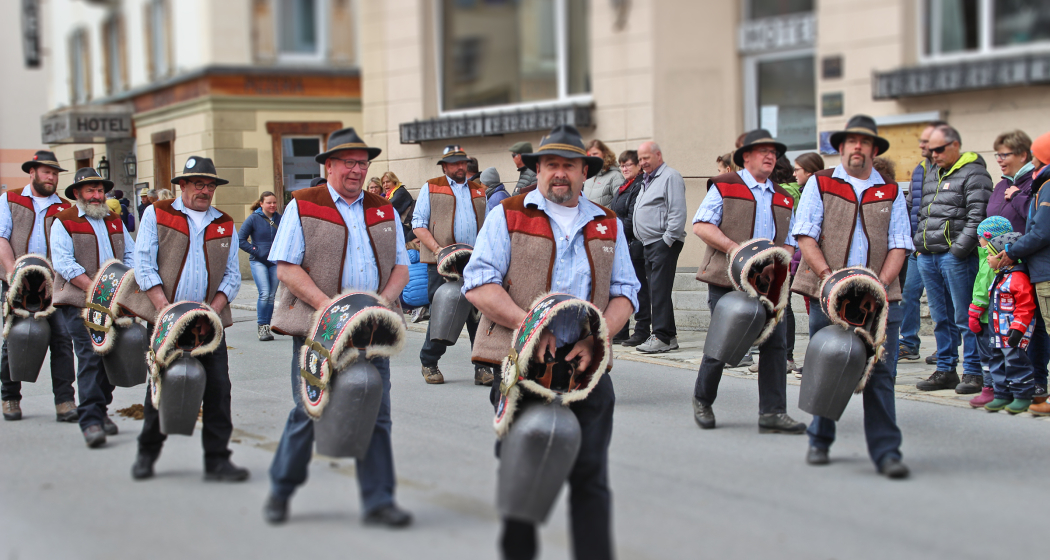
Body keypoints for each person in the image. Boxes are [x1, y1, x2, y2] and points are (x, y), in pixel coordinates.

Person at [463, 124, 640, 560]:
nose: (560, 173)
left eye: (570, 166)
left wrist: (598, 338)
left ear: (585, 172)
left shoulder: (608, 222)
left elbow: (626, 292)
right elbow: (478, 283)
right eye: (551, 165)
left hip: (588, 370)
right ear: (538, 170)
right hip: (522, 367)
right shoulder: (507, 214)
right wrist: (530, 327)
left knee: (591, 478)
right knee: (521, 474)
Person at [263, 127, 412, 527]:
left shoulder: (383, 208)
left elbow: (401, 266)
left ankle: (379, 500)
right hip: (320, 328)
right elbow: (286, 267)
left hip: (372, 328)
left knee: (377, 413)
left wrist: (381, 305)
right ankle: (280, 490)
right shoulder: (303, 204)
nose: (357, 170)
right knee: (308, 410)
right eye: (348, 162)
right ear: (329, 165)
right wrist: (329, 308)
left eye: (363, 163)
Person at [792, 115, 911, 479]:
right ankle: (819, 439)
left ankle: (887, 452)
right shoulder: (821, 182)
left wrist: (880, 286)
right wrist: (828, 279)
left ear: (874, 150)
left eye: (865, 141)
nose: (857, 147)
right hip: (828, 294)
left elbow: (899, 244)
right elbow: (806, 235)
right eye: (851, 141)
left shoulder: (890, 191)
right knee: (827, 365)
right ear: (841, 147)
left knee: (882, 374)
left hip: (879, 298)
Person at [130, 155, 247, 482]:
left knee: (219, 390)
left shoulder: (225, 222)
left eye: (210, 185)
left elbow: (232, 275)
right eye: (198, 184)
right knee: (161, 387)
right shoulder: (157, 213)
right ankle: (147, 453)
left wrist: (212, 311)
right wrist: (166, 311)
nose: (205, 190)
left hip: (209, 322)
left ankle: (217, 460)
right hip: (167, 318)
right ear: (182, 185)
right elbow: (144, 265)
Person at [691, 129, 805, 434]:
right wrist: (735, 249)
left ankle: (773, 412)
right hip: (727, 279)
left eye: (773, 152)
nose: (770, 156)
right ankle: (702, 400)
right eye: (763, 151)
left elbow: (790, 240)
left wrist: (780, 262)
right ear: (746, 157)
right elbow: (701, 225)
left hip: (770, 286)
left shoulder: (783, 196)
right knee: (722, 343)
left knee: (775, 347)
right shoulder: (725, 185)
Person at [49, 167, 136, 447]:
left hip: (116, 300)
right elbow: (64, 263)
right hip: (79, 301)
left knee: (110, 356)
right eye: (91, 190)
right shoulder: (64, 221)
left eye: (100, 190)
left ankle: (100, 408)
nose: (97, 195)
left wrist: (125, 285)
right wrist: (97, 290)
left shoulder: (114, 219)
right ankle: (90, 421)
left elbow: (131, 254)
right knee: (90, 356)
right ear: (77, 193)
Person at [913, 124, 993, 393]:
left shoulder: (975, 173)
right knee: (941, 318)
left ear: (955, 145)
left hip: (955, 257)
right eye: (931, 149)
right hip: (928, 255)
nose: (933, 154)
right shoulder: (933, 172)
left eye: (938, 149)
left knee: (966, 317)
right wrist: (919, 245)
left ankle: (973, 372)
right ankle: (946, 370)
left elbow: (978, 216)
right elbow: (923, 212)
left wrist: (957, 251)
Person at [0, 150, 77, 423]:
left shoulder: (65, 207)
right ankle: (10, 397)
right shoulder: (10, 199)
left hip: (54, 284)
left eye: (55, 173)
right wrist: (12, 272)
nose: (52, 177)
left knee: (62, 340)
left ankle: (65, 401)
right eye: (46, 172)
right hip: (17, 282)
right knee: (14, 338)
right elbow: (1, 238)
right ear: (32, 172)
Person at [412, 145, 490, 385]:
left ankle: (482, 366)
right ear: (444, 166)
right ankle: (429, 362)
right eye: (455, 163)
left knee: (479, 315)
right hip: (441, 262)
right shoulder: (431, 187)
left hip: (473, 261)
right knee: (442, 312)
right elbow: (418, 224)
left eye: (463, 162)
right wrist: (438, 251)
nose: (460, 167)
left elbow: (488, 226)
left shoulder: (479, 190)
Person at [991, 131, 1050, 414]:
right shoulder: (1039, 183)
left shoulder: (1044, 185)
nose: (1000, 160)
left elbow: (1041, 231)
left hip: (1041, 270)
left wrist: (1011, 252)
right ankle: (1031, 389)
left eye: (1005, 154)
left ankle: (1036, 387)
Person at [976, 218, 1037, 414]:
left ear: (1003, 256)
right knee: (996, 361)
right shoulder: (1000, 276)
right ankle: (1002, 393)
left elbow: (1026, 306)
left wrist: (1018, 329)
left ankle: (1022, 395)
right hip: (997, 332)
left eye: (990, 255)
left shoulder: (1018, 278)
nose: (987, 258)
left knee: (1016, 363)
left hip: (1012, 333)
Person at [632, 141, 686, 353]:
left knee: (659, 290)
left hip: (663, 242)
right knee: (657, 291)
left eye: (646, 158)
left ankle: (661, 335)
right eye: (640, 159)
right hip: (649, 243)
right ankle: (669, 336)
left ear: (658, 155)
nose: (642, 162)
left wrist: (667, 240)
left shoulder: (670, 176)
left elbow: (677, 211)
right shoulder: (647, 180)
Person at [900, 122, 946, 362]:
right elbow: (911, 204)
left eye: (926, 142)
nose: (921, 146)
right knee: (908, 293)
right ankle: (909, 343)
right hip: (917, 245)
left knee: (942, 300)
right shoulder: (919, 169)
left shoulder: (951, 169)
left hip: (942, 246)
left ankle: (946, 348)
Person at [968, 217, 1011, 408]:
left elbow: (982, 287)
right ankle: (1005, 387)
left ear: (988, 238)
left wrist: (975, 311)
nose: (978, 240)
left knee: (988, 355)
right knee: (1003, 354)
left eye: (980, 237)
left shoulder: (989, 260)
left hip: (986, 317)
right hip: (1002, 317)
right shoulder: (1007, 259)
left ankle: (990, 388)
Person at [609, 149, 650, 346]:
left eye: (628, 165)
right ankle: (622, 329)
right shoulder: (623, 187)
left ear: (638, 166)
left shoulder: (639, 185)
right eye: (621, 165)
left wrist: (617, 236)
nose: (624, 169)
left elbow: (631, 218)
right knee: (620, 288)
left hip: (634, 244)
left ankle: (642, 329)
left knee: (640, 289)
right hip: (622, 244)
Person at [238, 191, 282, 341]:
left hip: (275, 262)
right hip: (258, 261)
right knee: (264, 293)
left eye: (274, 202)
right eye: (269, 203)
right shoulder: (253, 218)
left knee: (271, 295)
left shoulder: (280, 219)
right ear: (261, 204)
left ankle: (267, 327)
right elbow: (240, 239)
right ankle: (262, 326)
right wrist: (255, 251)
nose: (272, 205)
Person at [987, 130, 1035, 234]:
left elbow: (1040, 220)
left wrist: (1017, 197)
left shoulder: (1037, 183)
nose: (998, 160)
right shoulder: (1000, 186)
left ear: (1023, 156)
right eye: (998, 155)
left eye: (1004, 155)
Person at [582, 139, 624, 207]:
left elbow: (621, 206)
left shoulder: (615, 176)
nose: (592, 157)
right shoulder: (589, 175)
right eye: (589, 155)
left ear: (604, 153)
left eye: (595, 154)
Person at [381, 171, 416, 242]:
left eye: (388, 182)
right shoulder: (389, 195)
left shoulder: (400, 192)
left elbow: (388, 208)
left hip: (406, 228)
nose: (385, 185)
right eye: (383, 183)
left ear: (394, 181)